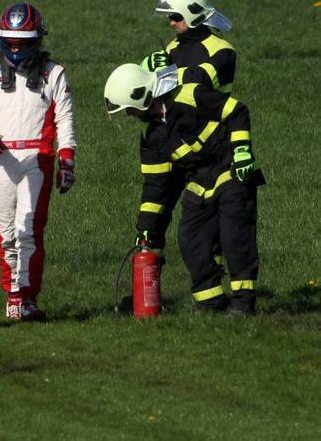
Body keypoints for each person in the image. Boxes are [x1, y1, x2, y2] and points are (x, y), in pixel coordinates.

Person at [104, 63, 264, 314]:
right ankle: (211, 303)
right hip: (199, 182)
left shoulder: (189, 94)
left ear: (141, 96)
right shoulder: (151, 136)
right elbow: (155, 187)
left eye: (129, 109)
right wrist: (145, 229)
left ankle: (243, 304)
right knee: (191, 240)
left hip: (231, 170)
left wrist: (242, 150)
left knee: (235, 237)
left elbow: (237, 111)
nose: (129, 115)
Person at [0, 3, 76, 322]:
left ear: (36, 40)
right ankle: (12, 295)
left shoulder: (53, 72)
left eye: (22, 43)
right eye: (11, 42)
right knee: (6, 233)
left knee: (27, 229)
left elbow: (65, 117)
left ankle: (27, 296)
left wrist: (66, 158)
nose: (15, 49)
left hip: (37, 158)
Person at [139, 0, 236, 256]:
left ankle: (214, 293)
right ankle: (148, 290)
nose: (170, 23)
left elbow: (201, 79)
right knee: (151, 219)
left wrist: (165, 75)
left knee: (203, 230)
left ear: (194, 13)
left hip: (209, 150)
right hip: (173, 141)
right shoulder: (172, 48)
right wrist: (148, 70)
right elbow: (157, 91)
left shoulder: (222, 51)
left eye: (176, 16)